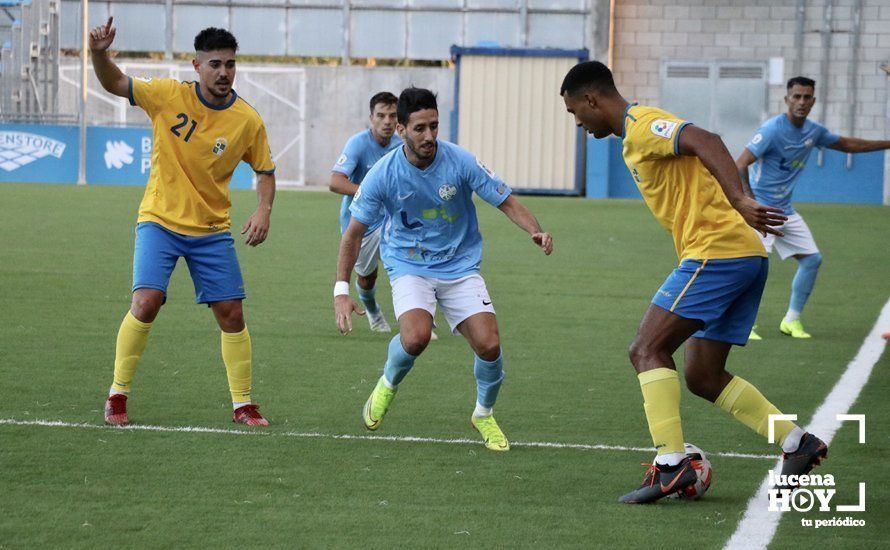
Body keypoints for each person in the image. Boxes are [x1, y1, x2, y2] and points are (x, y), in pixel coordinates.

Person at [561, 61, 827, 504]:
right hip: (740, 256)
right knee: (703, 375)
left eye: (575, 112)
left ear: (592, 99)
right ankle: (797, 443)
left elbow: (706, 140)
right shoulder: (634, 138)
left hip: (717, 252)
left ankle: (671, 464)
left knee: (646, 350)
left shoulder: (642, 124)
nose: (577, 123)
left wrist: (740, 198)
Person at [333, 87, 553, 451]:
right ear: (401, 129)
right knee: (416, 338)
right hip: (409, 265)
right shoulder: (383, 174)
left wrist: (536, 230)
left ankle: (483, 414)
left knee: (490, 345)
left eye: (434, 126)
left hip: (460, 265)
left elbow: (505, 199)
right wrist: (341, 290)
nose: (429, 136)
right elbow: (353, 234)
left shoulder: (460, 161)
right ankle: (388, 382)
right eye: (419, 128)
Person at [90, 19, 276, 427]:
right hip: (159, 220)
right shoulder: (167, 95)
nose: (224, 72)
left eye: (230, 64)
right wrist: (99, 54)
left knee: (232, 314)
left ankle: (243, 404)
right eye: (215, 64)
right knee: (146, 302)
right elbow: (115, 83)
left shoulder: (247, 120)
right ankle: (117, 396)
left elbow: (264, 170)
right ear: (196, 66)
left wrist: (263, 208)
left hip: (211, 231)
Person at [737, 76, 890, 339]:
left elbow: (847, 144)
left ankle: (791, 321)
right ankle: (743, 324)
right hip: (762, 210)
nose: (801, 102)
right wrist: (749, 202)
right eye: (796, 96)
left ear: (813, 101)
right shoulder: (772, 129)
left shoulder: (814, 131)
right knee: (754, 267)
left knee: (812, 260)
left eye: (807, 97)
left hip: (784, 210)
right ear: (787, 100)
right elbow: (740, 163)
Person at [329, 93, 402, 333]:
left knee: (408, 264)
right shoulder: (358, 143)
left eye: (392, 115)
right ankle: (372, 310)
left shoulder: (403, 145)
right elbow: (335, 182)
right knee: (367, 278)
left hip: (392, 221)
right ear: (371, 118)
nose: (387, 121)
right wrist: (369, 191)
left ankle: (420, 318)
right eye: (381, 115)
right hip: (362, 225)